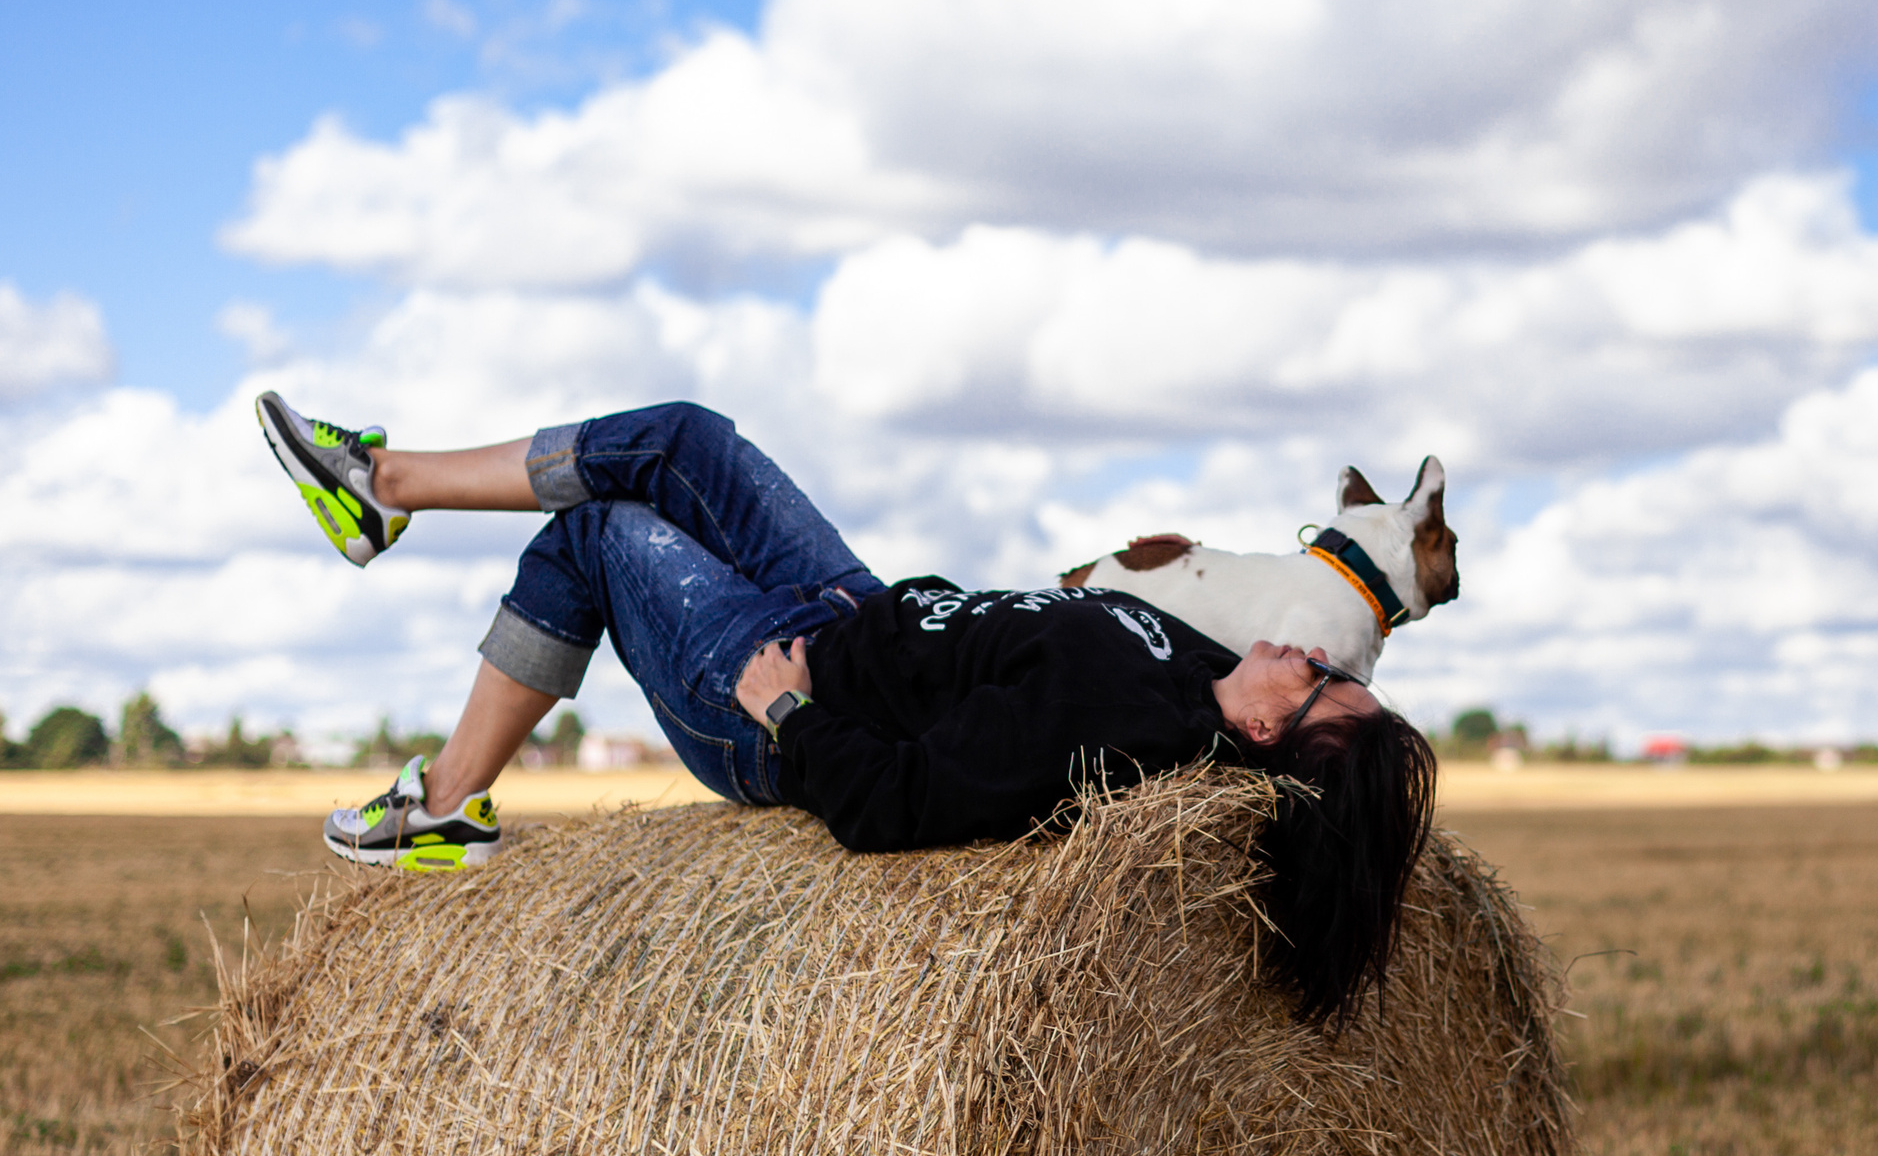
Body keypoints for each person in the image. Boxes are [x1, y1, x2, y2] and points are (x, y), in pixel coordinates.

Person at [255, 395, 1438, 1023]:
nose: (1310, 649)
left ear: (1279, 730)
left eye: (1324, 678)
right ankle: (381, 484)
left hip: (779, 686)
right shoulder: (1198, 665)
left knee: (599, 537)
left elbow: (897, 803)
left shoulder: (1120, 739)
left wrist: (781, 713)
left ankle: (447, 807)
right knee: (683, 436)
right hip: (856, 606)